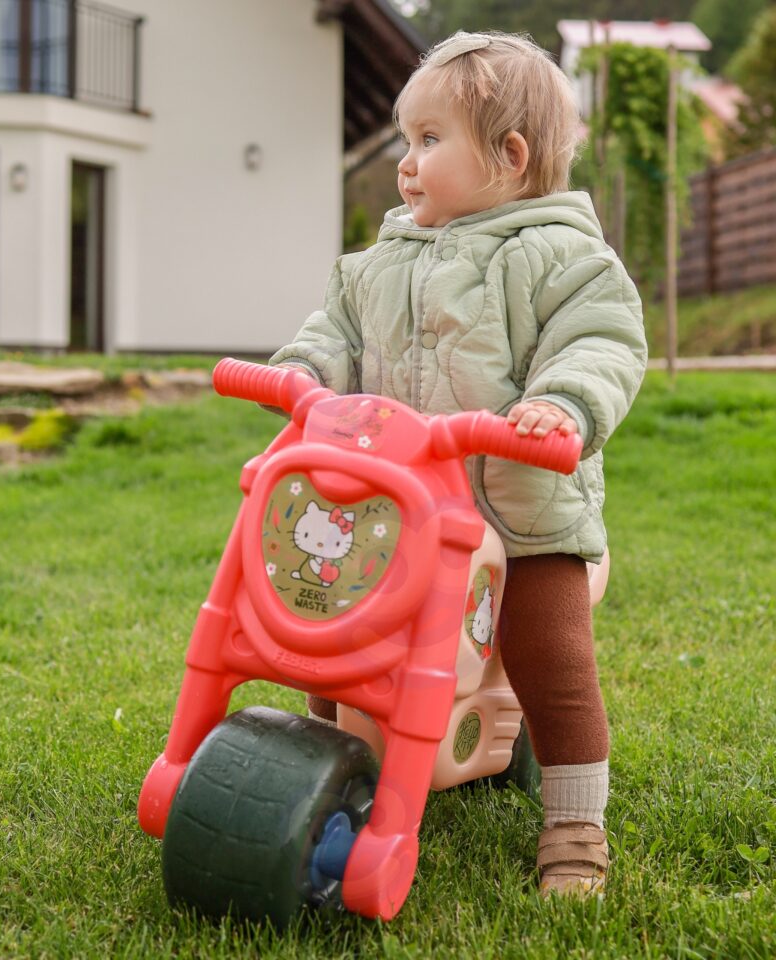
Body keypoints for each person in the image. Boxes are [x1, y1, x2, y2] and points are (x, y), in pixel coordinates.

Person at [268, 30, 647, 897]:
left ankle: (574, 823)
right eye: (406, 140)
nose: (407, 164)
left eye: (429, 141)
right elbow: (336, 334)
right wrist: (301, 370)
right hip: (396, 511)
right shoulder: (377, 262)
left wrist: (562, 403)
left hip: (520, 514)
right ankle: (335, 772)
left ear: (510, 156)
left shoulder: (564, 259)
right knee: (328, 633)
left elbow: (602, 344)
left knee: (549, 653)